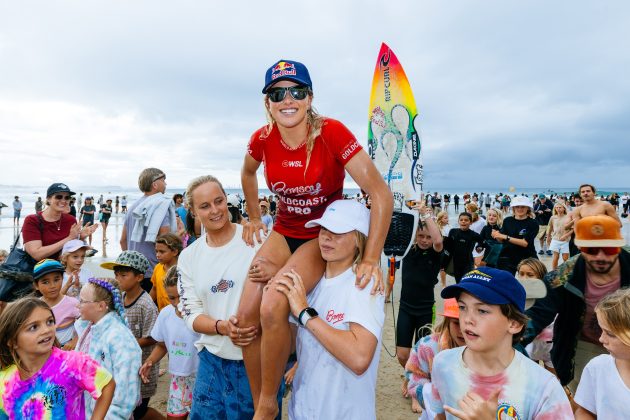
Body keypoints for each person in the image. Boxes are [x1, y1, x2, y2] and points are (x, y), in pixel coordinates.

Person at [238, 59, 392, 418]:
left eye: (297, 91)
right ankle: (262, 395)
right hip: (283, 230)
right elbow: (247, 172)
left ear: (309, 98)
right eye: (278, 93)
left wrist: (370, 257)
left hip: (319, 232)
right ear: (268, 103)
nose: (287, 99)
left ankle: (265, 405)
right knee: (245, 318)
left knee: (273, 305)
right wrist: (255, 217)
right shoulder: (261, 139)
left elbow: (380, 193)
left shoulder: (332, 132)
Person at [273, 199, 385, 419]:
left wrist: (305, 314)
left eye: (338, 231)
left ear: (359, 239)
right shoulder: (313, 283)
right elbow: (295, 343)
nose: (326, 236)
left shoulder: (363, 283)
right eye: (324, 228)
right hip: (302, 410)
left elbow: (359, 357)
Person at [430, 267, 573, 419]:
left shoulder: (544, 388)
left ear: (514, 323)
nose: (467, 319)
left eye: (482, 311)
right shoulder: (443, 363)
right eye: (462, 307)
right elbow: (441, 416)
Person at [177, 175, 263, 419]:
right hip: (211, 361)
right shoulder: (189, 256)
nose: (215, 210)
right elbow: (190, 313)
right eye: (204, 206)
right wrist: (222, 327)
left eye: (219, 201)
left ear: (227, 200)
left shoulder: (255, 239)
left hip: (255, 363)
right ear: (192, 211)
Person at [524, 215, 629, 394]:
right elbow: (537, 312)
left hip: (627, 341)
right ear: (579, 246)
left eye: (609, 248)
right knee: (587, 398)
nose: (600, 256)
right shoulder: (563, 275)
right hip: (582, 345)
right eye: (591, 249)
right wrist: (508, 341)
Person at [0, 297, 115, 419]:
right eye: (33, 327)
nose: (46, 330)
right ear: (12, 341)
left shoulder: (72, 363)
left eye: (49, 321)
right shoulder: (4, 382)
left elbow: (107, 384)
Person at [100, 251, 161, 420]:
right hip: (124, 364)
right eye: (116, 275)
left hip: (142, 367)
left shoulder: (146, 305)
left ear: (139, 277)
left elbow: (153, 337)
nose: (118, 279)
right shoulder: (120, 298)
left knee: (139, 409)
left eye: (123, 275)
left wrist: (126, 343)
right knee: (128, 405)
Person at [76, 277, 142, 418]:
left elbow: (125, 394)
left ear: (101, 306)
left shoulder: (120, 339)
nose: (78, 305)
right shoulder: (89, 329)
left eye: (82, 301)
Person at [140, 266, 200, 420]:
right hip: (178, 380)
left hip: (202, 378)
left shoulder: (202, 316)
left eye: (181, 296)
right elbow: (162, 345)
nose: (178, 302)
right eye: (172, 298)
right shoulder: (166, 314)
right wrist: (150, 361)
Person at [396, 203, 443, 391]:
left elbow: (438, 239)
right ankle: (411, 376)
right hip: (405, 307)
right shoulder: (407, 250)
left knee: (422, 353)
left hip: (425, 309)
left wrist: (425, 214)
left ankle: (415, 386)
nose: (424, 240)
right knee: (402, 354)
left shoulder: (435, 252)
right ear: (415, 235)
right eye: (421, 236)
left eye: (428, 237)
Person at [574, 288, 630, 418]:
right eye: (602, 330)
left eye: (610, 334)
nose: (601, 339)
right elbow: (585, 411)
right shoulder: (597, 367)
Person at [120, 168, 177, 293]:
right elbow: (166, 240)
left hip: (133, 271)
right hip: (153, 270)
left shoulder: (134, 207)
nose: (166, 184)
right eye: (163, 180)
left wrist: (131, 263)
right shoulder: (160, 206)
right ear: (155, 184)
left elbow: (123, 241)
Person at [405, 299, 464, 416]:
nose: (462, 330)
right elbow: (415, 381)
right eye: (456, 323)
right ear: (447, 322)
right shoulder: (427, 346)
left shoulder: (486, 349)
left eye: (467, 322)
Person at [517, 258, 555, 373]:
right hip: (530, 345)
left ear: (541, 278)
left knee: (555, 380)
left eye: (530, 275)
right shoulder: (516, 297)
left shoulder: (549, 297)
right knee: (532, 376)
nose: (524, 279)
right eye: (521, 274)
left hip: (550, 347)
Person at [32, 259, 80, 350]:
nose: (52, 285)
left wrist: (76, 340)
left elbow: (88, 324)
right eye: (45, 282)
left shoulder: (72, 303)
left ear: (62, 279)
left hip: (68, 353)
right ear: (36, 285)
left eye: (56, 279)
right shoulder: (35, 306)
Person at [492, 195, 539, 275]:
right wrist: (496, 235)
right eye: (517, 207)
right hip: (507, 257)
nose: (520, 209)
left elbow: (525, 243)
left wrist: (505, 237)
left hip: (527, 257)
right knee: (505, 283)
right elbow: (501, 240)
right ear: (513, 208)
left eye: (523, 207)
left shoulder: (533, 223)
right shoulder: (507, 221)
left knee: (531, 283)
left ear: (528, 208)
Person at [444, 212, 486, 283]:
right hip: (455, 262)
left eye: (466, 220)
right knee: (458, 282)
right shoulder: (453, 231)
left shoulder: (473, 234)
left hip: (468, 263)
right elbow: (447, 246)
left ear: (471, 222)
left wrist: (479, 247)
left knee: (466, 282)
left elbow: (484, 243)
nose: (463, 221)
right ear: (458, 221)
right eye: (461, 220)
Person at [150, 233, 182, 311]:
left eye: (162, 252)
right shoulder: (158, 267)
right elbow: (154, 289)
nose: (157, 255)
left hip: (179, 312)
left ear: (175, 252)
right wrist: (147, 304)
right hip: (162, 313)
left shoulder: (182, 270)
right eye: (156, 251)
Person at [547, 202, 571, 270]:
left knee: (565, 258)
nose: (558, 209)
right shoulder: (552, 217)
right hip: (555, 239)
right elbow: (550, 228)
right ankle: (554, 272)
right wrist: (548, 237)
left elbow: (572, 229)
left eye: (560, 207)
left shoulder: (568, 217)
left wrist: (566, 235)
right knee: (555, 257)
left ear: (564, 208)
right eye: (556, 208)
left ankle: (566, 272)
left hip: (565, 240)